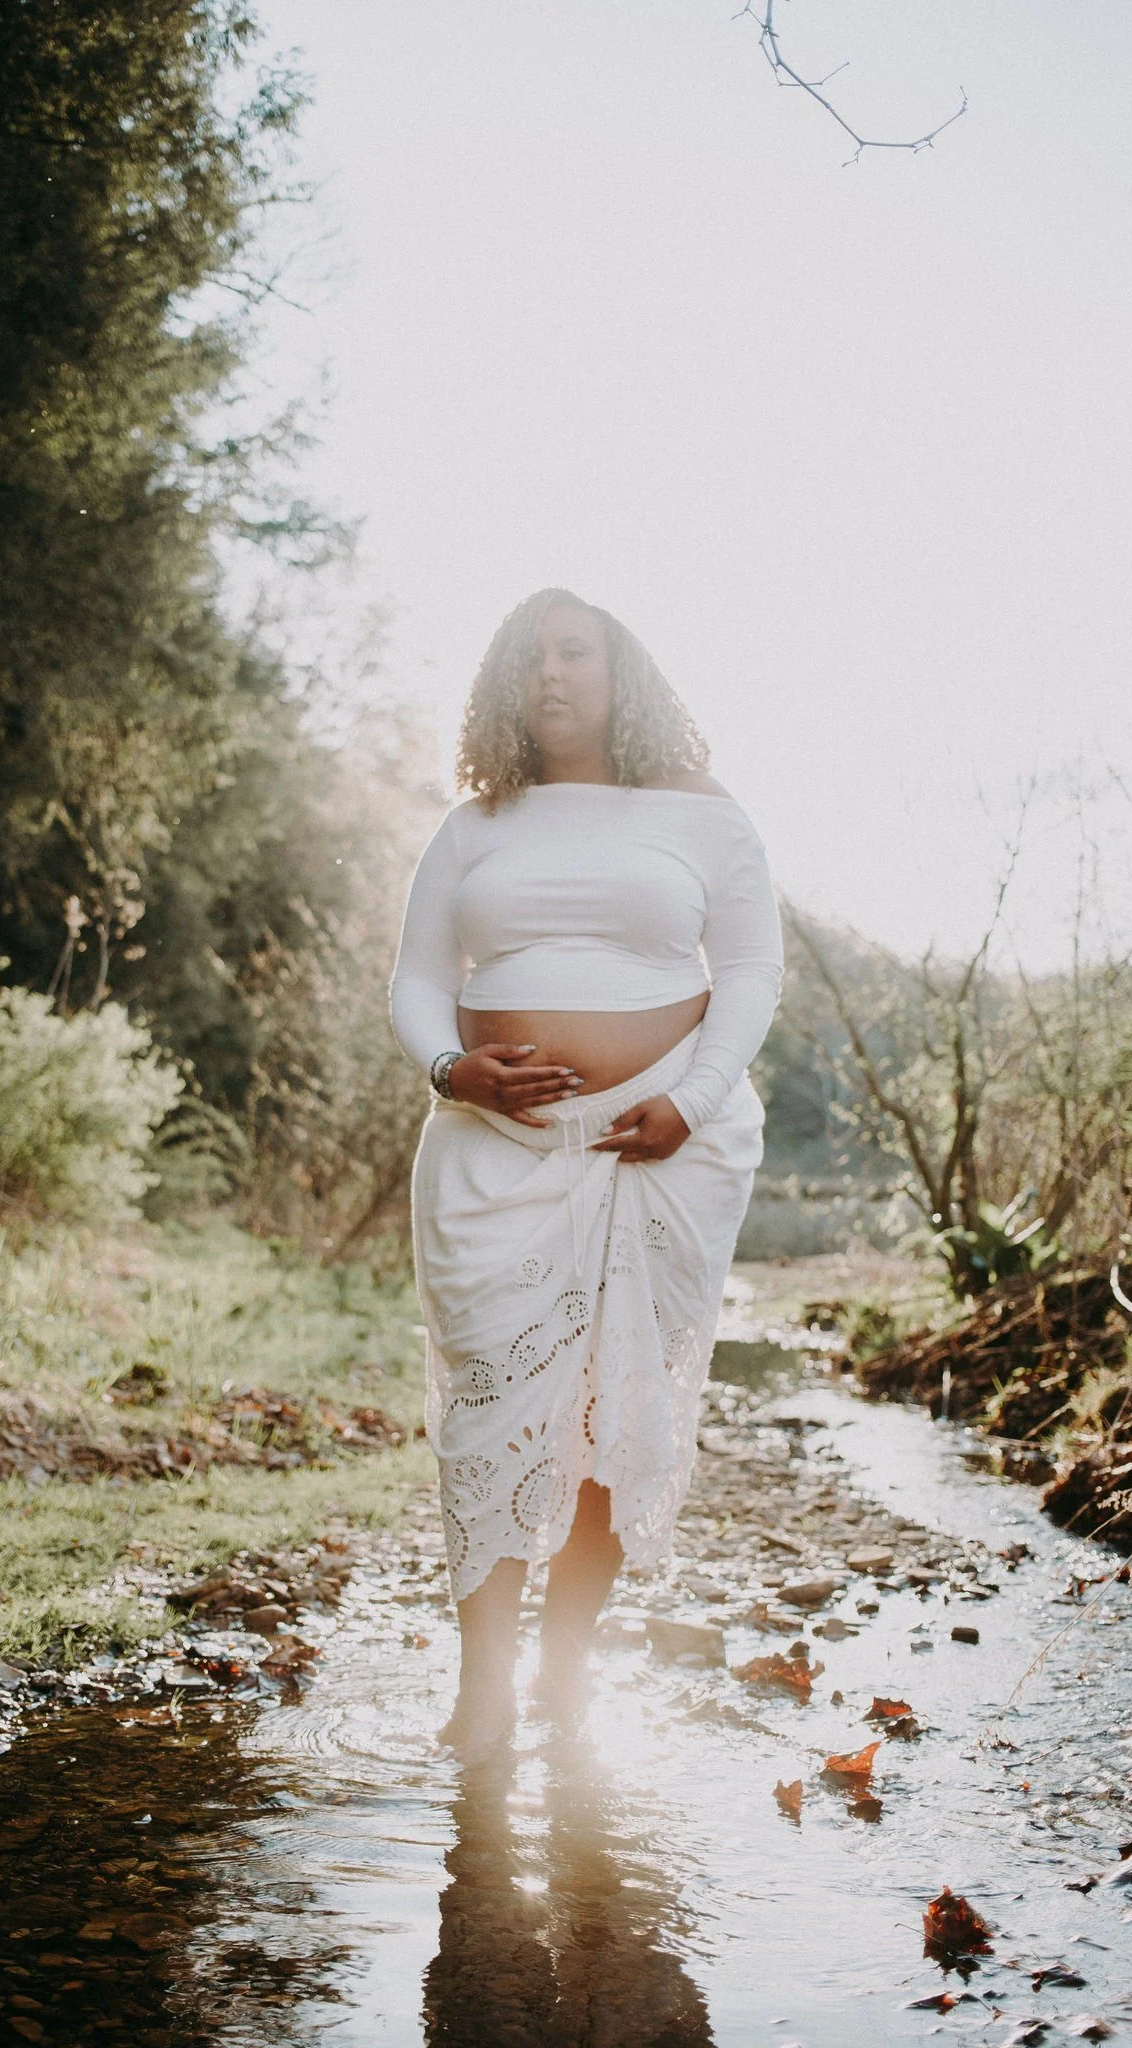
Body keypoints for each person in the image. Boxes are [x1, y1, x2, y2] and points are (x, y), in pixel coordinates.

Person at [389, 588, 782, 1759]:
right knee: (491, 1412)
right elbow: (415, 978)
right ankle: (482, 1691)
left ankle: (565, 1676)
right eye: (528, 657)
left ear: (625, 673)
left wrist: (689, 1101)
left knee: (616, 1412)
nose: (550, 673)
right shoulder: (473, 823)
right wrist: (455, 1068)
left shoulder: (702, 812)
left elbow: (753, 971)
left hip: (662, 1147)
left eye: (575, 652)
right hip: (490, 1151)